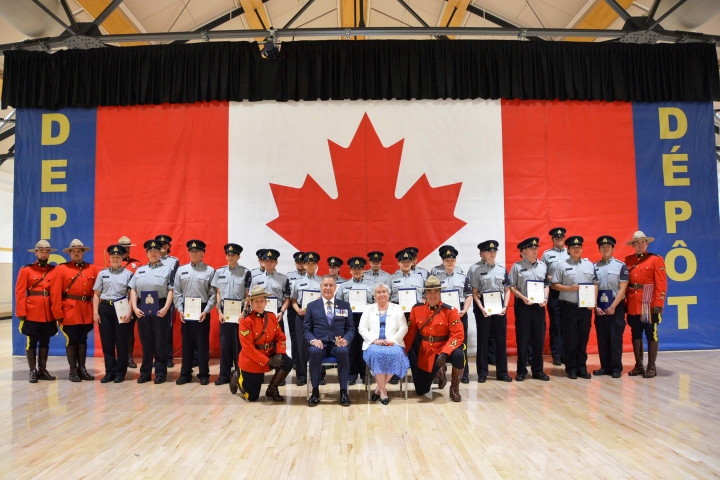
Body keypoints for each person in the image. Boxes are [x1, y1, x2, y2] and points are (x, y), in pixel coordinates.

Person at [404, 276, 465, 401]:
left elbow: (457, 335)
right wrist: (402, 352)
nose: (433, 295)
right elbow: (410, 334)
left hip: (445, 348)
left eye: (436, 291)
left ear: (440, 293)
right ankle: (440, 372)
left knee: (459, 355)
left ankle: (454, 389)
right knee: (421, 390)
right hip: (427, 351)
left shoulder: (450, 311)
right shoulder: (416, 309)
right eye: (429, 292)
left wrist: (445, 352)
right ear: (425, 294)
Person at [230, 286, 292, 402]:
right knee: (252, 397)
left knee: (287, 361)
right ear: (251, 304)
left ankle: (272, 389)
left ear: (266, 302)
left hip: (269, 355)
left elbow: (281, 338)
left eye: (262, 301)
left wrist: (279, 353)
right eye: (256, 301)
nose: (259, 304)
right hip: (252, 361)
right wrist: (267, 360)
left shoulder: (272, 317)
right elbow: (248, 349)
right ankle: (237, 377)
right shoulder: (245, 321)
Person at [551, 236, 598, 380]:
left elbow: (595, 283)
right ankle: (571, 368)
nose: (576, 250)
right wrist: (568, 288)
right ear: (569, 250)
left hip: (585, 308)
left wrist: (593, 302)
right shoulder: (561, 265)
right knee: (570, 339)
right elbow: (554, 284)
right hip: (568, 307)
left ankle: (582, 368)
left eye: (579, 247)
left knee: (583, 338)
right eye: (573, 248)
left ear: (582, 249)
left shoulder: (589, 264)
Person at [51, 239, 99, 382]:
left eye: (79, 251)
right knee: (72, 339)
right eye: (74, 251)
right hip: (69, 310)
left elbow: (97, 291)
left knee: (83, 339)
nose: (76, 253)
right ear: (70, 253)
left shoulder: (92, 269)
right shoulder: (61, 269)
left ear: (83, 253)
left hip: (86, 309)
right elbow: (55, 293)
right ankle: (73, 370)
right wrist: (58, 313)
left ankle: (82, 369)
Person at [304, 275, 355, 407]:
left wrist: (346, 339)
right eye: (325, 285)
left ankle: (344, 391)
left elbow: (350, 329)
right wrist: (313, 340)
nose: (328, 288)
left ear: (335, 287)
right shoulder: (311, 306)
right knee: (314, 352)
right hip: (320, 344)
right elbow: (306, 329)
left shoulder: (344, 305)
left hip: (338, 344)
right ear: (321, 287)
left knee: (344, 352)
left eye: (331, 285)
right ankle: (315, 391)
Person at [129, 239, 174, 384]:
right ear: (147, 253)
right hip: (142, 308)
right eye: (150, 251)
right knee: (146, 342)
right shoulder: (140, 270)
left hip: (160, 307)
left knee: (161, 342)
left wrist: (166, 308)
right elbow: (133, 289)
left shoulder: (167, 270)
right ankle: (145, 373)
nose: (153, 253)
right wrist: (135, 308)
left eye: (156, 251)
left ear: (160, 252)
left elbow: (171, 290)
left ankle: (160, 373)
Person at [15, 240, 59, 383]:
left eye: (47, 252)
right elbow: (20, 292)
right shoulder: (26, 270)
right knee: (32, 342)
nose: (44, 254)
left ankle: (42, 370)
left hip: (48, 312)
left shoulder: (54, 270)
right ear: (36, 253)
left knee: (45, 342)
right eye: (41, 251)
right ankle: (32, 371)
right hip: (32, 311)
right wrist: (21, 312)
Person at [624, 231, 667, 378]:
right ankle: (638, 365)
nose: (640, 244)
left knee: (651, 334)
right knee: (635, 333)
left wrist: (658, 303)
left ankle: (651, 366)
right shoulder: (628, 261)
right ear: (633, 245)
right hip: (633, 303)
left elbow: (661, 283)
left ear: (646, 244)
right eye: (637, 242)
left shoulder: (656, 259)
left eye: (642, 242)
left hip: (649, 303)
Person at [173, 240, 216, 385]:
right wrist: (180, 309)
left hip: (202, 310)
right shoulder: (181, 270)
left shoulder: (210, 271)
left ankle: (204, 374)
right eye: (191, 251)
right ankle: (185, 374)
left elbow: (213, 294)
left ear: (203, 252)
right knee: (187, 344)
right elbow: (177, 292)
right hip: (186, 311)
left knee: (202, 344)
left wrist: (206, 310)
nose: (194, 253)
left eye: (197, 251)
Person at [358, 283, 409, 404]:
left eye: (384, 292)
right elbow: (362, 328)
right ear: (374, 295)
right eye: (378, 292)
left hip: (393, 343)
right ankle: (383, 391)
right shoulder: (368, 309)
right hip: (373, 344)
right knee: (377, 354)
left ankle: (379, 388)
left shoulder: (396, 308)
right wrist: (374, 340)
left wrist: (393, 340)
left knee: (396, 354)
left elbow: (404, 327)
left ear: (388, 294)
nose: (382, 294)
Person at [508, 237, 550, 382]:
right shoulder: (517, 266)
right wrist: (522, 297)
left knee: (539, 339)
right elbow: (511, 286)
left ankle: (538, 371)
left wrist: (545, 298)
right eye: (532, 248)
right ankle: (521, 371)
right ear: (524, 251)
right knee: (523, 339)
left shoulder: (543, 266)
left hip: (539, 307)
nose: (535, 250)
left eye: (536, 248)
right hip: (523, 306)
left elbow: (546, 284)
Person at [470, 240, 512, 383]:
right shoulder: (477, 270)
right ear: (484, 254)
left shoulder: (502, 269)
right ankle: (482, 373)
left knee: (501, 340)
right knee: (483, 339)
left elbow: (507, 290)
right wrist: (481, 308)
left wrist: (505, 307)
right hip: (484, 306)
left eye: (494, 251)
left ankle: (503, 372)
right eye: (489, 251)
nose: (492, 254)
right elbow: (474, 292)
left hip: (499, 306)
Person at [92, 244, 134, 383]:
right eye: (113, 256)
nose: (115, 259)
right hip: (105, 309)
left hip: (121, 308)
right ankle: (109, 371)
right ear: (109, 258)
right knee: (107, 342)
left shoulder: (128, 274)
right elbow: (97, 295)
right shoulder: (103, 274)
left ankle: (120, 372)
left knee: (122, 342)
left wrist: (130, 312)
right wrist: (95, 313)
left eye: (118, 256)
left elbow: (131, 295)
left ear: (123, 258)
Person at [212, 243, 251, 385]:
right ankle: (224, 376)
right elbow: (218, 294)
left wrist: (244, 312)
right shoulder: (219, 272)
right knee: (225, 346)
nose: (230, 257)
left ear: (238, 256)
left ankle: (240, 375)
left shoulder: (246, 272)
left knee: (239, 347)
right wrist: (219, 312)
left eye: (233, 254)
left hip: (240, 316)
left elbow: (247, 295)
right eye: (228, 254)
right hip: (225, 315)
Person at [434, 246, 472, 383]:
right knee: (441, 344)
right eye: (447, 260)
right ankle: (440, 374)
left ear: (455, 261)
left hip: (459, 314)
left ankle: (464, 374)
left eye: (452, 260)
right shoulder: (436, 278)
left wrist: (465, 309)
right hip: (442, 314)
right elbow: (433, 297)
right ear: (443, 261)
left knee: (462, 345)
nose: (450, 262)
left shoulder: (462, 276)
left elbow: (468, 295)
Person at [593, 236, 629, 378]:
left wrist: (614, 305)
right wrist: (595, 306)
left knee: (615, 337)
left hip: (616, 306)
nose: (605, 248)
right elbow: (593, 287)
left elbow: (623, 288)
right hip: (600, 307)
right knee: (602, 337)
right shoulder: (594, 266)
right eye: (603, 246)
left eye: (608, 246)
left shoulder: (621, 266)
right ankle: (605, 366)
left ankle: (616, 367)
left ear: (613, 249)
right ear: (600, 249)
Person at [335, 257, 374, 385]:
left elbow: (375, 303)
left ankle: (365, 374)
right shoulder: (344, 286)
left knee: (365, 346)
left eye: (359, 268)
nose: (357, 271)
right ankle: (351, 374)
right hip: (349, 320)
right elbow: (338, 304)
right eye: (354, 268)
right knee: (351, 347)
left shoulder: (371, 285)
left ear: (363, 269)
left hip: (366, 319)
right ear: (350, 270)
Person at [290, 251, 324, 386]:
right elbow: (293, 300)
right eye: (308, 263)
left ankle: (320, 375)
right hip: (301, 317)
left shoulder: (322, 281)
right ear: (303, 265)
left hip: (318, 318)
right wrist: (297, 309)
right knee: (301, 346)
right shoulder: (297, 283)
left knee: (320, 345)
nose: (310, 266)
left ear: (316, 265)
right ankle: (302, 376)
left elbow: (327, 299)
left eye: (313, 264)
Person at [541, 227, 569, 366]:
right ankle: (557, 354)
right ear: (552, 239)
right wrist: (554, 278)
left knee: (568, 324)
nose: (559, 239)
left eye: (561, 237)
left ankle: (566, 353)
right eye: (556, 238)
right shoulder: (547, 254)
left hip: (568, 292)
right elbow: (541, 273)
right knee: (556, 324)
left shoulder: (571, 252)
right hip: (553, 293)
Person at [155, 235, 179, 368]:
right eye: (160, 244)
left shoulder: (174, 261)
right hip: (153, 299)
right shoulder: (152, 259)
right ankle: (157, 357)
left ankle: (168, 357)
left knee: (167, 329)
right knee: (155, 330)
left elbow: (175, 282)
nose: (163, 246)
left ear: (169, 246)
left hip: (168, 299)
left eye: (165, 244)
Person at [118, 236, 141, 369]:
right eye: (123, 248)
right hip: (117, 302)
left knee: (130, 331)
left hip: (131, 302)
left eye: (128, 248)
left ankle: (129, 357)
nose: (126, 250)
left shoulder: (137, 264)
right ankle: (120, 356)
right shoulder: (112, 263)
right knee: (117, 331)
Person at [285, 251, 306, 381]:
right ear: (295, 263)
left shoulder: (312, 276)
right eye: (298, 262)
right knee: (294, 336)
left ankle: (306, 361)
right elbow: (288, 293)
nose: (300, 264)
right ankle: (295, 361)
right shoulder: (289, 276)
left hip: (308, 309)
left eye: (302, 262)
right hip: (294, 308)